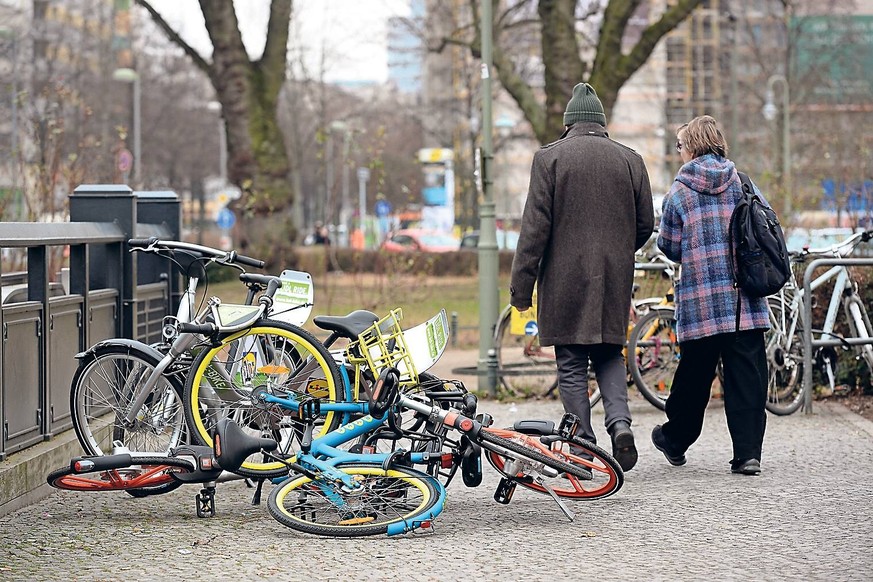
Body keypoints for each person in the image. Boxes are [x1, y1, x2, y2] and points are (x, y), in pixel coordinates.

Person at [510, 82, 654, 472]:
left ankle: (582, 444)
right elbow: (646, 225)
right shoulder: (630, 160)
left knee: (571, 363)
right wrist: (618, 251)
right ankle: (620, 426)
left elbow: (534, 230)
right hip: (614, 277)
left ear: (569, 123)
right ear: (602, 123)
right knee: (609, 354)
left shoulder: (550, 159)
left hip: (563, 278)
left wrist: (521, 289)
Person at [652, 115, 770, 476]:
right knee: (747, 376)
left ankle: (675, 440)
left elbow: (670, 245)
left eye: (680, 145)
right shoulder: (743, 182)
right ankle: (748, 454)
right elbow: (766, 223)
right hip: (744, 300)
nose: (679, 151)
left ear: (691, 147)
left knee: (693, 377)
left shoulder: (679, 191)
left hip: (702, 301)